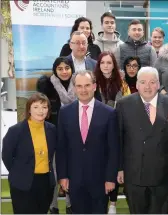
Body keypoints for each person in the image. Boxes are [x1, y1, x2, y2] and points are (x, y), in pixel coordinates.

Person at [116, 67, 168, 214]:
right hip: (134, 173)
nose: (148, 86)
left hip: (163, 173)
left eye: (152, 82)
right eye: (143, 82)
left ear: (158, 85)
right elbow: (118, 140)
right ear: (137, 84)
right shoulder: (123, 104)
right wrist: (119, 168)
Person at [56, 71, 119, 214]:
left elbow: (113, 149)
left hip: (100, 181)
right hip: (74, 179)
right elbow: (61, 148)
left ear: (94, 86)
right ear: (74, 88)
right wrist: (63, 176)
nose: (83, 90)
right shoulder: (65, 113)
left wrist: (110, 178)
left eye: (87, 85)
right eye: (79, 86)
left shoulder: (109, 113)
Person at [2, 93, 57, 214]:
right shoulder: (15, 131)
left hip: (45, 183)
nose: (40, 111)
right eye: (36, 107)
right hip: (22, 183)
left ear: (48, 110)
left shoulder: (52, 130)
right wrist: (19, 172)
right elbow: (6, 156)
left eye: (44, 107)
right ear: (29, 110)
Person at [36, 57, 75, 213]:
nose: (64, 72)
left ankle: (70, 204)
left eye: (67, 68)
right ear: (55, 70)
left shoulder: (79, 84)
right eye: (60, 68)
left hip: (74, 135)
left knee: (71, 170)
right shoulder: (47, 86)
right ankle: (53, 206)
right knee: (52, 171)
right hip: (51, 134)